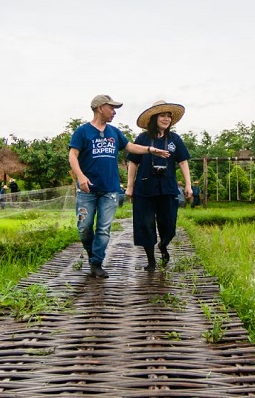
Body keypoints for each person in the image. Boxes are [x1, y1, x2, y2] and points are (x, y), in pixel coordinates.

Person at [69, 94, 170, 279]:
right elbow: (72, 156)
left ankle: (97, 263)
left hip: (110, 190)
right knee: (84, 227)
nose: (114, 112)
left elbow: (131, 147)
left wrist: (149, 149)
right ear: (100, 108)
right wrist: (81, 176)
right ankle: (92, 253)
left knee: (103, 229)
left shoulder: (114, 132)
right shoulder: (82, 132)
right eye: (111, 108)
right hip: (86, 190)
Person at [126, 100, 192, 271]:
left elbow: (183, 162)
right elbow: (132, 163)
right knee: (145, 224)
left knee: (169, 223)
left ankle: (163, 244)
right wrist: (130, 186)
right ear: (154, 118)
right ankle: (151, 260)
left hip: (168, 187)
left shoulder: (174, 139)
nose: (166, 119)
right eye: (162, 115)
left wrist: (188, 185)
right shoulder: (142, 138)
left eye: (169, 116)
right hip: (145, 188)